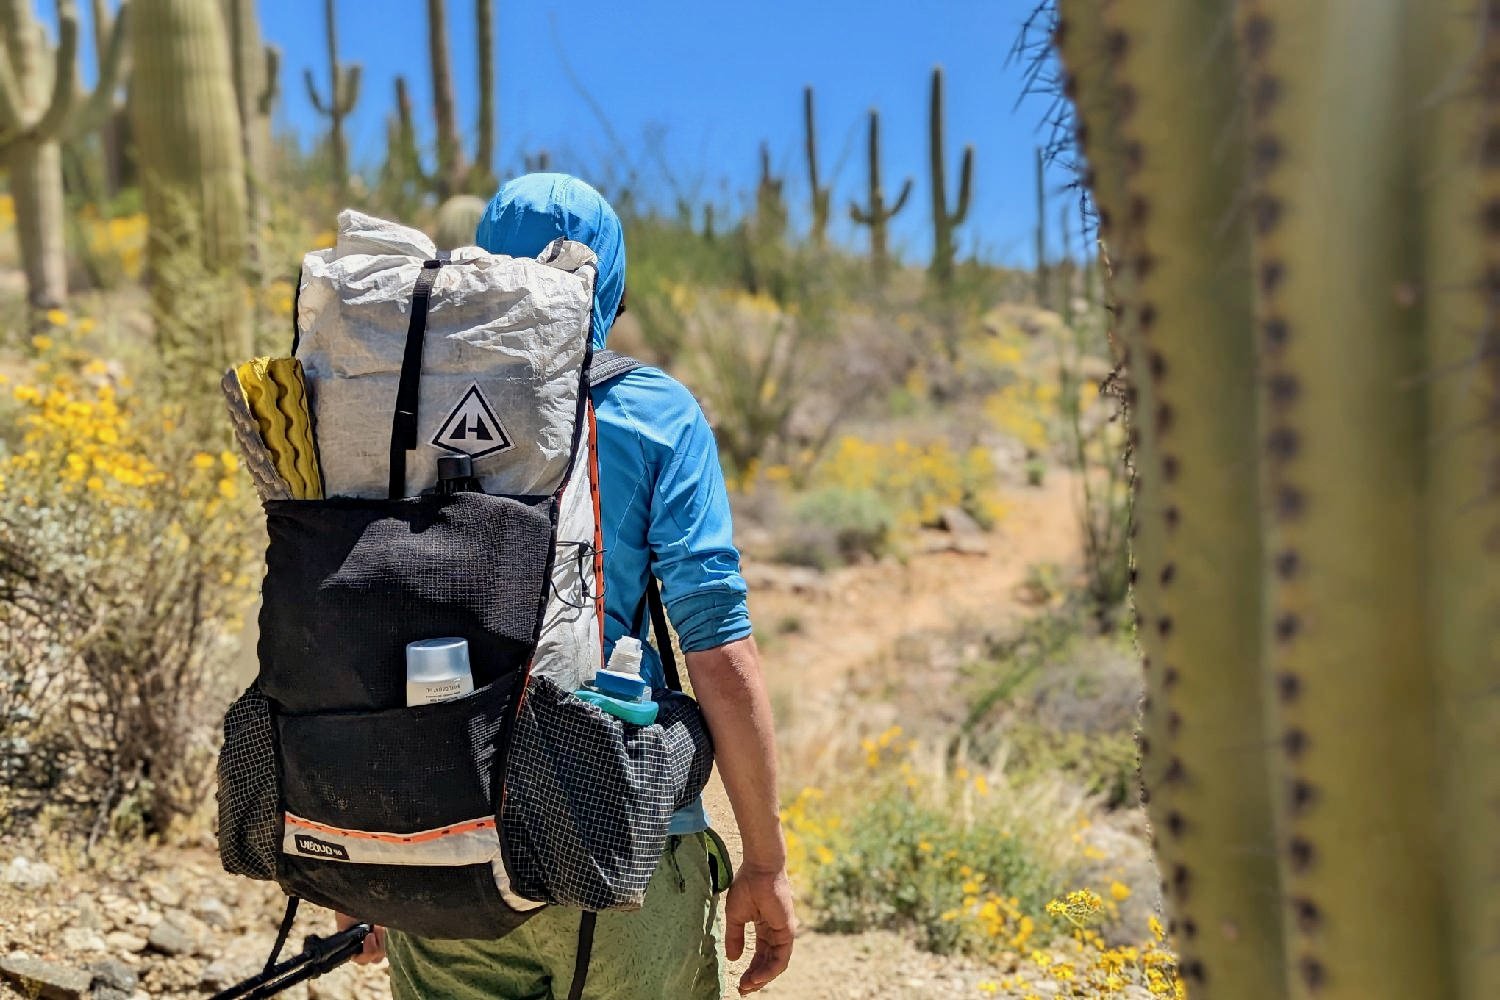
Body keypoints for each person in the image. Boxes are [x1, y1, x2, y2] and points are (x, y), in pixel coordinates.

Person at [335, 173, 796, 999]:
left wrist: (368, 849)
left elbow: (360, 616)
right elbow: (718, 653)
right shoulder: (657, 414)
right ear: (610, 290)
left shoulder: (400, 402)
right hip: (617, 839)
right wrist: (763, 863)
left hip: (444, 834)